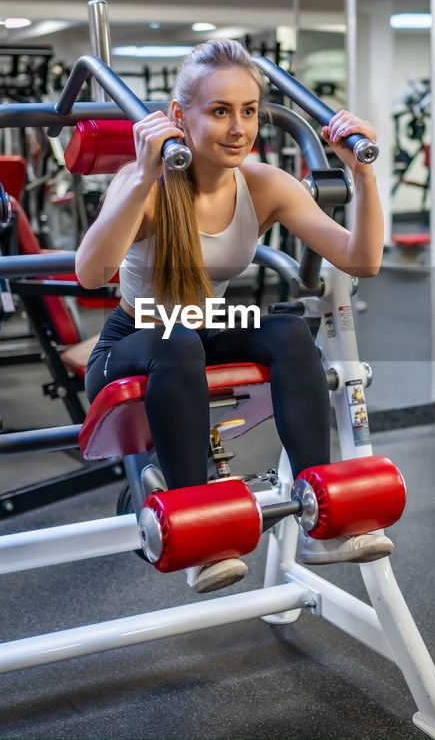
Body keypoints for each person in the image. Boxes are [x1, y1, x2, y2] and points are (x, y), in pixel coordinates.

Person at [75, 39, 390, 593]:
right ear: (180, 116)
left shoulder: (263, 184)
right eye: (220, 111)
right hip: (136, 336)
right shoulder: (143, 182)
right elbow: (90, 274)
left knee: (288, 328)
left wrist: (362, 175)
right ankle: (198, 531)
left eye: (248, 111)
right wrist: (145, 175)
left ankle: (320, 513)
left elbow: (361, 258)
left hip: (207, 328)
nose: (239, 128)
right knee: (177, 341)